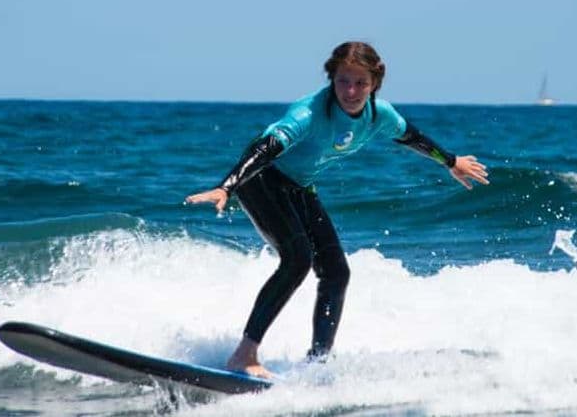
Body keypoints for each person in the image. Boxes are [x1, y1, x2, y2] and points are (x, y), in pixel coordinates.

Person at [185, 41, 489, 378]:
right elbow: (267, 147)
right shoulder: (309, 113)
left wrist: (450, 161)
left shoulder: (379, 115)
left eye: (361, 82)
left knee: (336, 272)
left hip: (300, 185)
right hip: (261, 179)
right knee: (297, 259)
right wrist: (226, 186)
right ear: (333, 79)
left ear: (375, 82)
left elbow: (412, 137)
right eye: (343, 80)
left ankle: (317, 365)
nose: (351, 90)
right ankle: (244, 354)